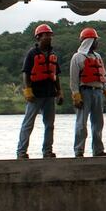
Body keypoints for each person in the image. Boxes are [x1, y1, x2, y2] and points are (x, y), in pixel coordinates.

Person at [15, 23, 64, 159]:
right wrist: (28, 90)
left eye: (50, 35)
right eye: (46, 35)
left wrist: (60, 92)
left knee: (49, 125)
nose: (49, 38)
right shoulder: (32, 54)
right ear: (39, 37)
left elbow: (56, 75)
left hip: (49, 94)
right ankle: (21, 152)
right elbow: (26, 73)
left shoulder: (53, 54)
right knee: (28, 123)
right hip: (35, 94)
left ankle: (47, 151)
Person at [70, 27, 106, 157]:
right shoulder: (77, 57)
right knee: (81, 123)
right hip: (84, 92)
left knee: (98, 123)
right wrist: (76, 96)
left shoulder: (98, 57)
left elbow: (103, 76)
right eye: (95, 40)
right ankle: (79, 150)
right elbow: (73, 79)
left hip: (98, 92)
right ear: (89, 41)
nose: (97, 43)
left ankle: (98, 150)